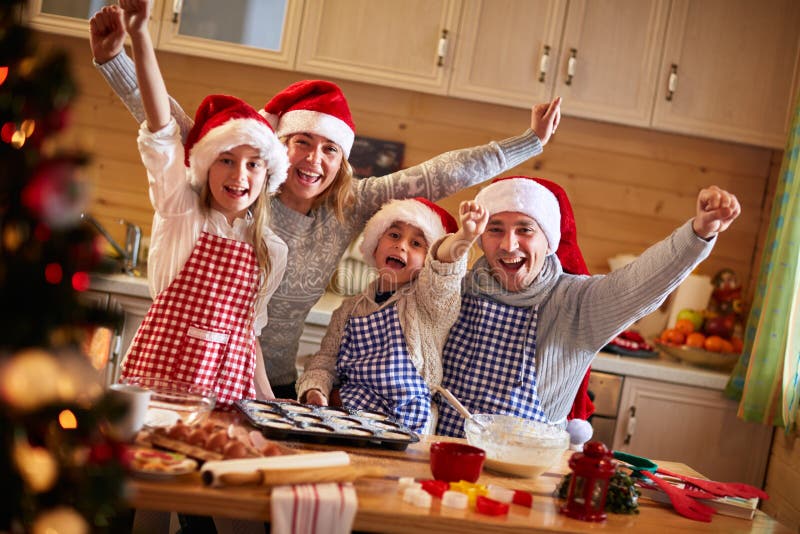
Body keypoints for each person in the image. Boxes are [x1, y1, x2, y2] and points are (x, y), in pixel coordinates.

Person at [88, 6, 561, 399]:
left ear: (342, 160)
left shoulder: (352, 205)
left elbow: (436, 175)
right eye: (302, 142)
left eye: (330, 149)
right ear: (278, 146)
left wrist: (528, 143)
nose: (314, 160)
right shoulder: (244, 184)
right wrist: (115, 59)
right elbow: (171, 125)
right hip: (194, 367)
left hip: (270, 382)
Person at [435, 177, 741, 438]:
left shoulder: (576, 304)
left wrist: (699, 233)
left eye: (525, 230)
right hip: (439, 460)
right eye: (496, 229)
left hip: (522, 474)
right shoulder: (456, 288)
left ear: (548, 240)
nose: (508, 245)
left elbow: (641, 282)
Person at [115, 0, 289, 407]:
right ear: (205, 166)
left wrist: (272, 406)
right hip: (158, 392)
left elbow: (249, 336)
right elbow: (161, 132)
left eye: (252, 165)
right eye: (226, 160)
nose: (239, 176)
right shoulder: (182, 215)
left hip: (228, 399)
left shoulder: (272, 251)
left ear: (267, 177)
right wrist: (140, 35)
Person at [297, 198, 487, 433]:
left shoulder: (429, 303)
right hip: (351, 415)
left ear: (428, 262)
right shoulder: (348, 310)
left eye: (416, 243)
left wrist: (463, 239)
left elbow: (444, 268)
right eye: (394, 236)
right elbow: (325, 361)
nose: (402, 246)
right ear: (375, 245)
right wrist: (315, 390)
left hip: (406, 424)